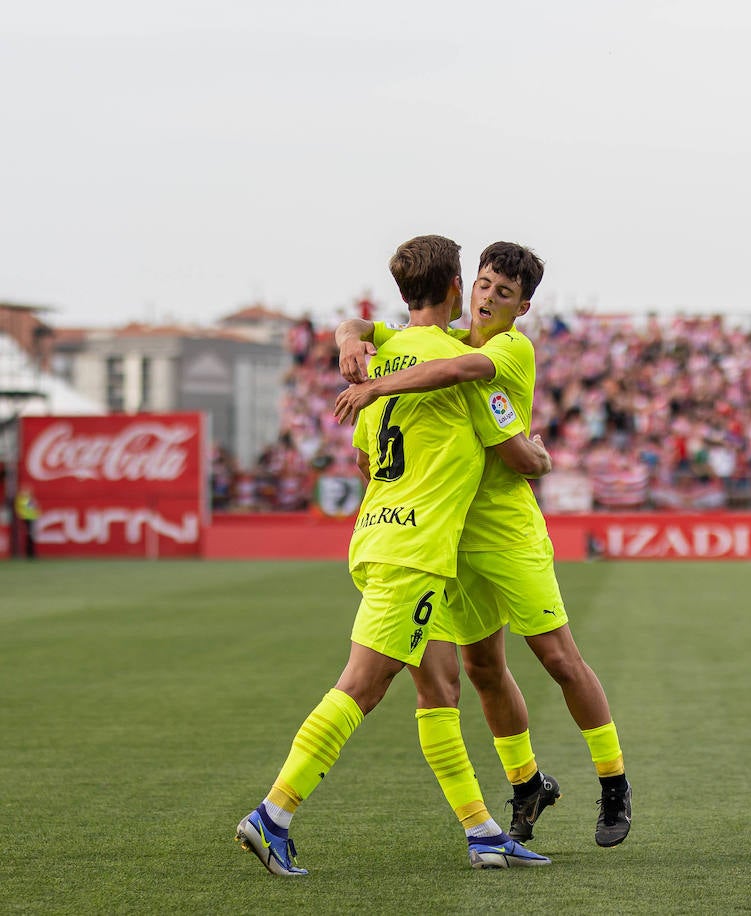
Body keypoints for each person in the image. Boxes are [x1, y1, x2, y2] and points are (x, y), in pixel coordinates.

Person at [237, 235, 553, 877]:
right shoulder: (461, 358)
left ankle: (483, 834)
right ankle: (274, 814)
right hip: (416, 551)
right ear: (457, 286)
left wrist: (350, 339)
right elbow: (509, 446)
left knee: (440, 689)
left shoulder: (380, 360)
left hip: (379, 534)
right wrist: (537, 456)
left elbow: (362, 457)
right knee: (362, 685)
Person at [333, 241, 632, 848]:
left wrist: (377, 388)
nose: (490, 298)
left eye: (505, 293)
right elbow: (366, 326)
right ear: (467, 286)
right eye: (485, 284)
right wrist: (348, 339)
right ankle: (527, 785)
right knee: (483, 669)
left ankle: (613, 780)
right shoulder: (439, 341)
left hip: (510, 532)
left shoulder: (508, 350)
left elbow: (480, 401)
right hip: (454, 537)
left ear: (523, 308)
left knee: (558, 658)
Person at [14, 486, 39, 559]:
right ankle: (29, 553)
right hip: (27, 520)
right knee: (29, 537)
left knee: (31, 537)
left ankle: (31, 553)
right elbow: (23, 510)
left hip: (31, 519)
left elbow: (35, 509)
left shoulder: (29, 499)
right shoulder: (23, 500)